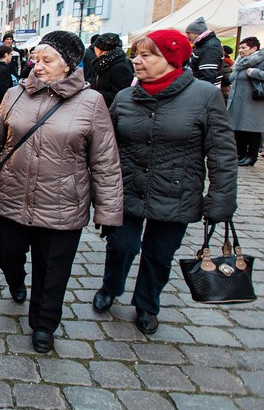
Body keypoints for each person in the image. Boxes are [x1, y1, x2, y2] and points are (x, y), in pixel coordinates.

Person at [0, 30, 123, 354]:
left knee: (52, 272)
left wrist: (109, 211)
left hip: (62, 207)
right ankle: (15, 280)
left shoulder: (92, 102)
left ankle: (44, 324)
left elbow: (105, 160)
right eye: (37, 59)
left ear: (69, 65)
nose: (38, 65)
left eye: (48, 60)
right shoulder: (16, 94)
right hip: (9, 198)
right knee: (5, 253)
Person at [92, 30, 237, 335]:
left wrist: (220, 199)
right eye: (136, 54)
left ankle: (147, 303)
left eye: (147, 55)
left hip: (176, 191)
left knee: (158, 255)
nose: (137, 61)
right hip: (128, 188)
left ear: (171, 59)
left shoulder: (204, 96)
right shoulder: (126, 97)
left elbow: (222, 152)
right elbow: (104, 145)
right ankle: (111, 287)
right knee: (121, 246)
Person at [227, 36, 264, 166]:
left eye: (244, 48)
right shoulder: (240, 62)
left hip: (253, 101)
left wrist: (254, 72)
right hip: (238, 101)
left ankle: (251, 156)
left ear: (254, 48)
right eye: (240, 48)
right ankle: (241, 154)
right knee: (238, 128)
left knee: (252, 129)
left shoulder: (260, 61)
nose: (240, 50)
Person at [91, 33, 134, 107]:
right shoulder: (103, 62)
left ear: (102, 49)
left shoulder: (120, 66)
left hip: (112, 110)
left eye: (96, 46)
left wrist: (92, 93)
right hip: (101, 106)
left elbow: (118, 95)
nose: (94, 48)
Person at [185, 16, 223, 83]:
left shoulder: (210, 47)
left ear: (197, 33)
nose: (187, 37)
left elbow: (208, 75)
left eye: (188, 33)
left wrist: (200, 89)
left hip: (204, 88)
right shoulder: (202, 45)